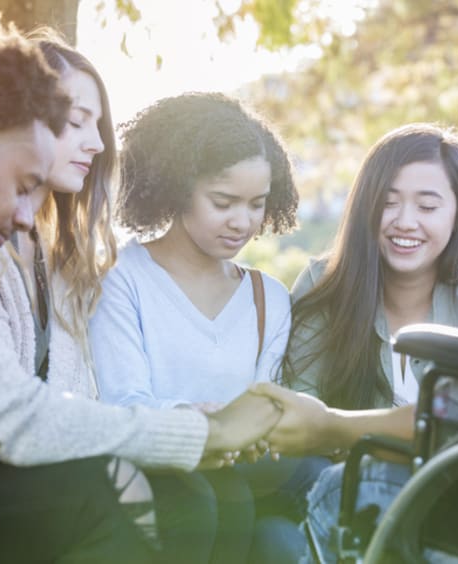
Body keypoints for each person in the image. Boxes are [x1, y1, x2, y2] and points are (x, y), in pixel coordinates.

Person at [0, 22, 281, 563]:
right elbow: (6, 416)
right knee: (101, 495)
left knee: (162, 495)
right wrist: (206, 433)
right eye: (22, 188)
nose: (24, 214)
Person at [0, 31, 222, 563]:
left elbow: (84, 403)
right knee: (117, 495)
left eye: (96, 126)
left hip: (45, 471)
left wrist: (181, 418)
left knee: (190, 495)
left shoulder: (66, 265)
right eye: (76, 123)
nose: (96, 143)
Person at [89, 92, 317, 562]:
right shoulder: (122, 279)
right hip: (156, 466)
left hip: (240, 467)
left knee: (305, 475)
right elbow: (123, 400)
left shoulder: (267, 298)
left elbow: (263, 406)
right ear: (176, 187)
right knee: (213, 498)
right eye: (223, 201)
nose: (242, 222)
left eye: (256, 204)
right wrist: (203, 424)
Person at [259, 123, 458, 562]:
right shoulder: (323, 287)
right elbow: (303, 420)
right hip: (350, 502)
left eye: (428, 205)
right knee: (271, 536)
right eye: (389, 202)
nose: (405, 221)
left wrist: (343, 428)